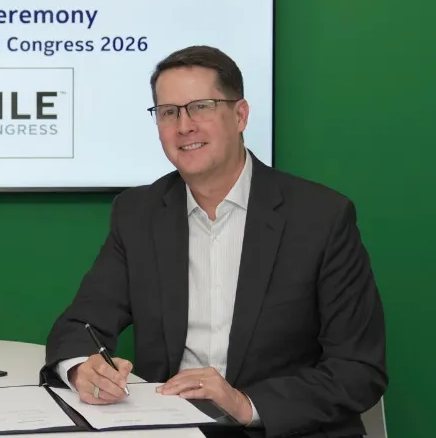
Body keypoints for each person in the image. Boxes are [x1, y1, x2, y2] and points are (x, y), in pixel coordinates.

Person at [40, 45, 386, 438]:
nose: (183, 126)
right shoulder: (138, 213)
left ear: (240, 116)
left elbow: (359, 369)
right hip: (174, 427)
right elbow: (80, 323)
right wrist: (82, 368)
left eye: (200, 107)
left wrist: (244, 404)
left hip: (281, 428)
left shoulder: (321, 217)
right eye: (168, 112)